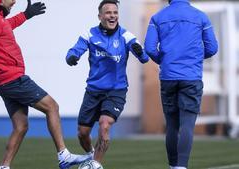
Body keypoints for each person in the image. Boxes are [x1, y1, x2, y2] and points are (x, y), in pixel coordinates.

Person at [0, 0, 90, 169]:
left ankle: (4, 167)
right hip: (14, 79)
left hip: (5, 82)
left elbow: (8, 25)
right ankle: (63, 155)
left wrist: (26, 15)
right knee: (52, 107)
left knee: (21, 126)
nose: (14, 1)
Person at [65, 0, 149, 164]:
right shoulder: (89, 34)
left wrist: (140, 52)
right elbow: (74, 50)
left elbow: (144, 57)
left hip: (116, 91)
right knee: (82, 133)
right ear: (100, 16)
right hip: (93, 91)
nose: (112, 16)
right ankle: (91, 155)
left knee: (104, 125)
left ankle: (96, 164)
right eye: (108, 13)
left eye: (115, 13)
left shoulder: (126, 36)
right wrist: (71, 57)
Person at [144, 0, 218, 169]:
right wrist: (195, 58)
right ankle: (181, 166)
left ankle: (172, 165)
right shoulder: (201, 16)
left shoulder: (157, 17)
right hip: (191, 77)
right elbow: (212, 48)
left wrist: (164, 60)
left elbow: (149, 48)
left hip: (168, 76)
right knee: (187, 124)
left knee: (171, 124)